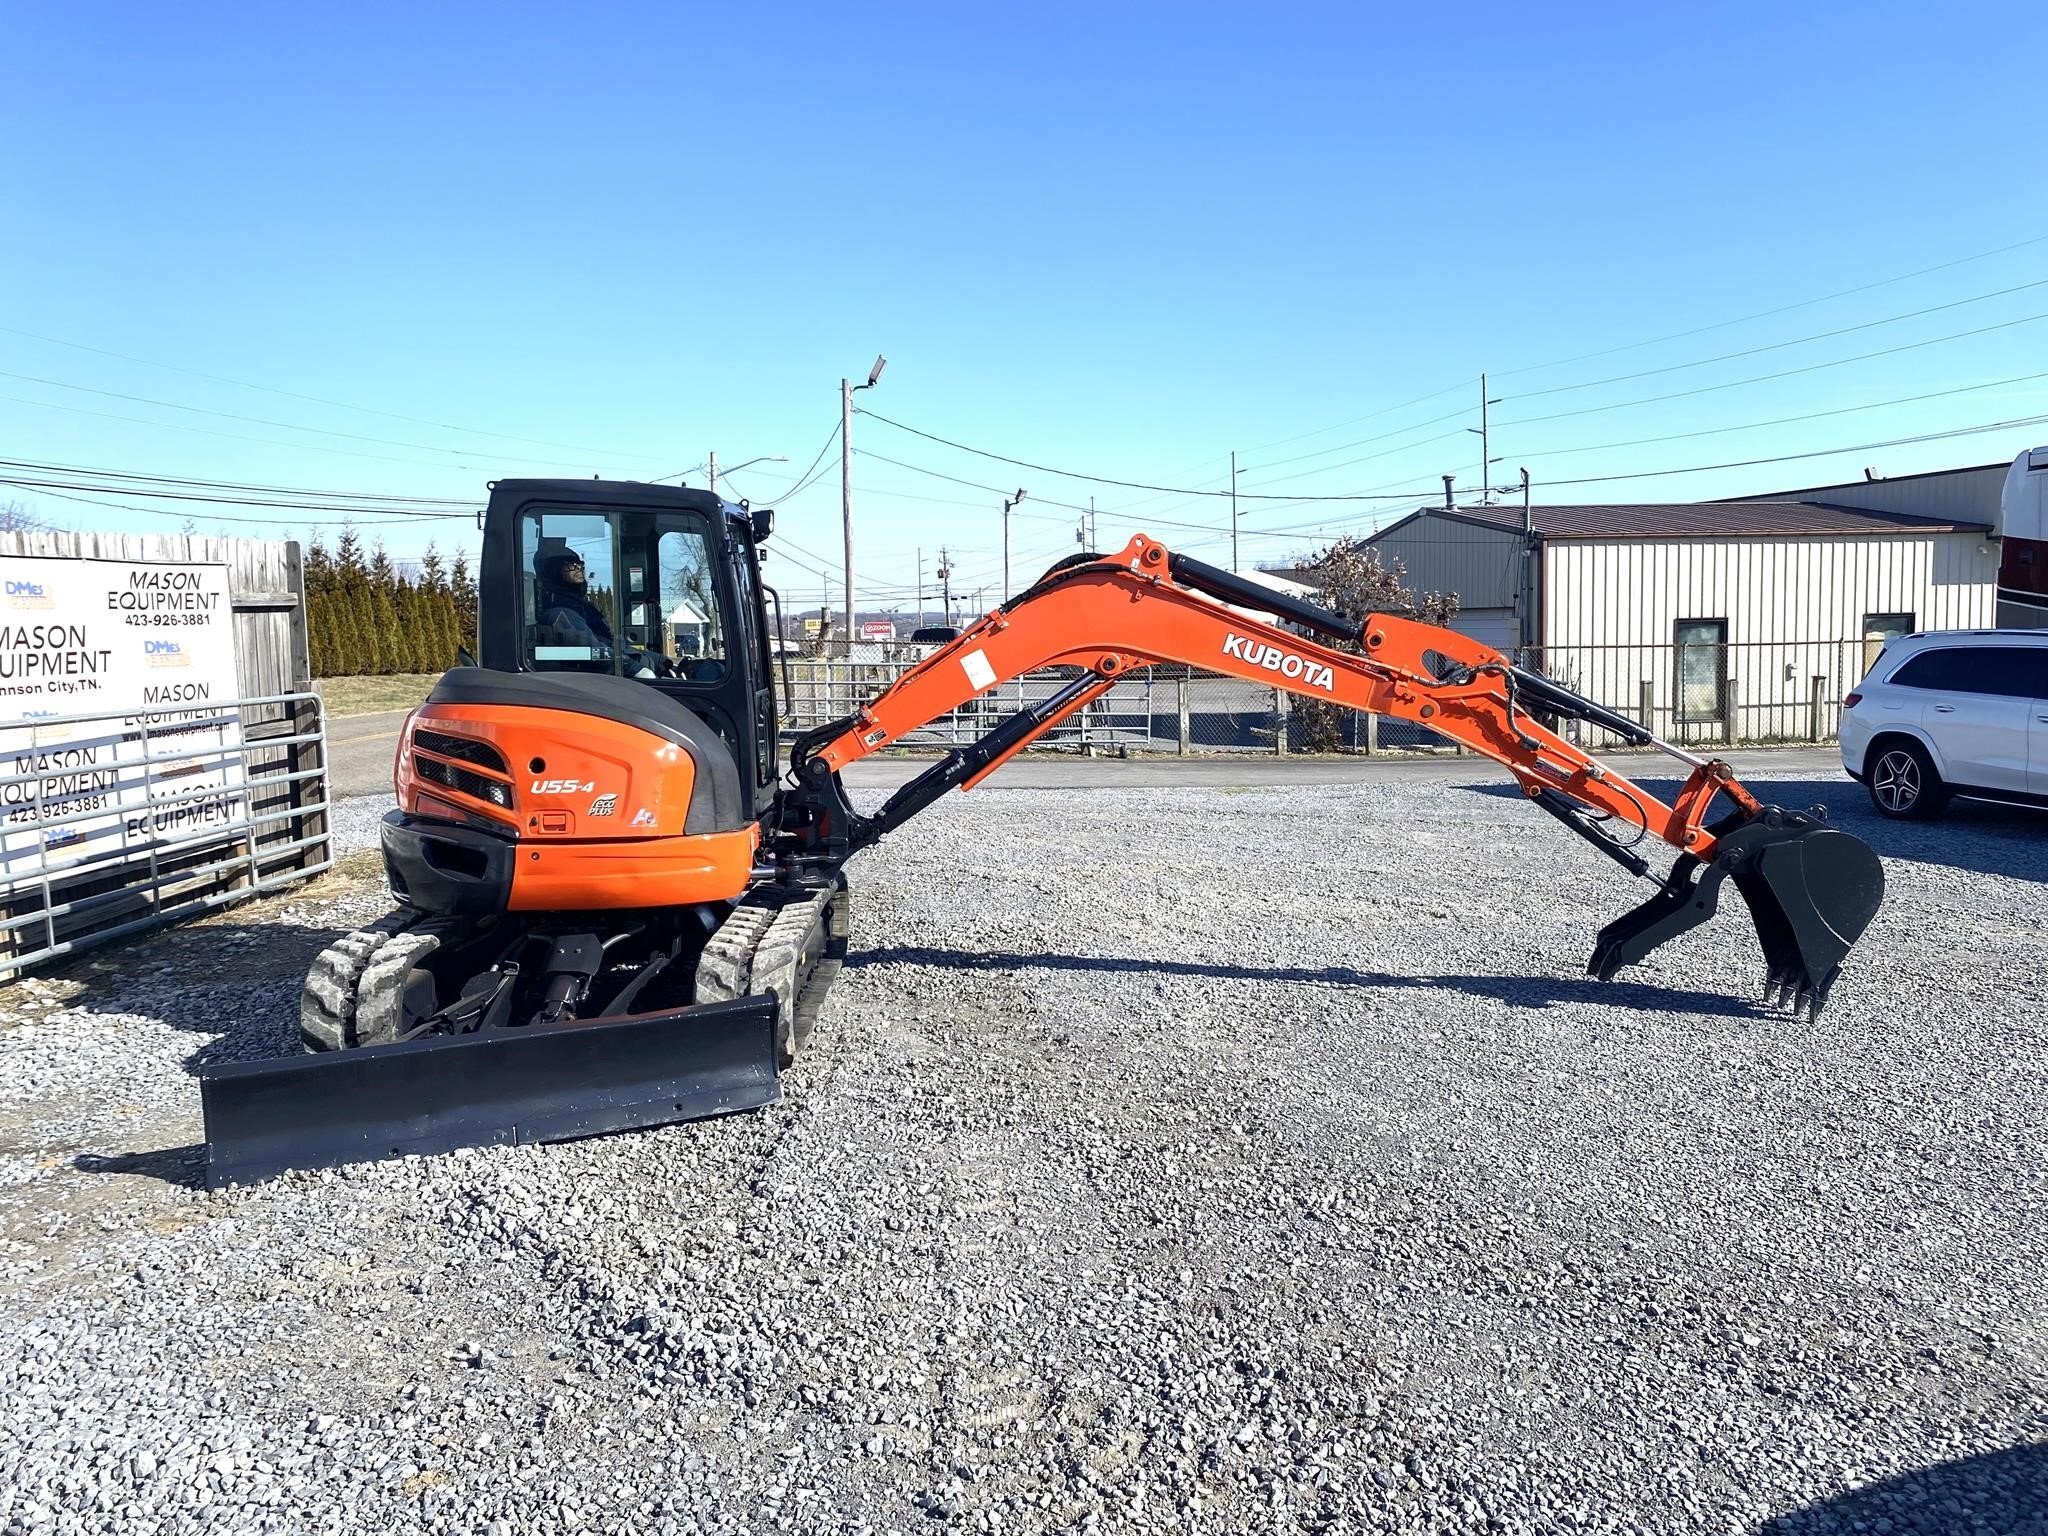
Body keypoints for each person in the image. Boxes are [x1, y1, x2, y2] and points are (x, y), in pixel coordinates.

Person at [535, 550, 615, 651]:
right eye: (571, 564)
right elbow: (595, 652)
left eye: (580, 564)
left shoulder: (582, 606)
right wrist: (628, 663)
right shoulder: (561, 613)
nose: (579, 567)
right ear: (555, 571)